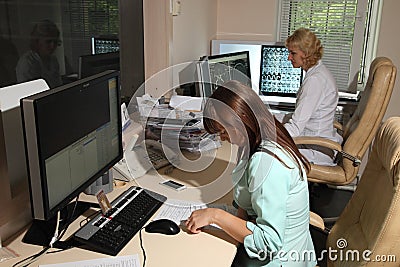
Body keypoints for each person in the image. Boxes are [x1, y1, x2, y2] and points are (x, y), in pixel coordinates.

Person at [185, 80, 316, 266]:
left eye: (223, 131)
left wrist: (216, 216)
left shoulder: (266, 162)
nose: (223, 139)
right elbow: (247, 210)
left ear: (242, 119)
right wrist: (213, 214)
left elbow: (268, 243)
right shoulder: (261, 138)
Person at [283, 28, 342, 166]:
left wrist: (266, 132)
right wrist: (273, 118)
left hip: (315, 148)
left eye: (293, 53)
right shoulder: (319, 72)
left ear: (306, 54)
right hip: (316, 140)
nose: (289, 57)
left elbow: (295, 129)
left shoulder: (314, 81)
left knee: (262, 151)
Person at [16, 19, 62, 88]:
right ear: (37, 42)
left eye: (55, 41)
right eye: (48, 41)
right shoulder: (27, 63)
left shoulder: (53, 60)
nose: (52, 45)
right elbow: (30, 92)